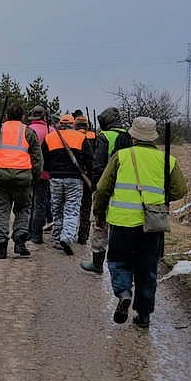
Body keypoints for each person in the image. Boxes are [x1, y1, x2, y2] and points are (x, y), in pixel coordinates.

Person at [92, 116, 187, 329]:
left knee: (118, 261)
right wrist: (160, 199)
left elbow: (102, 189)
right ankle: (144, 315)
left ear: (133, 136)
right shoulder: (167, 160)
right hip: (152, 223)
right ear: (153, 137)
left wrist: (99, 214)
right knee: (147, 268)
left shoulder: (121, 156)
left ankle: (124, 292)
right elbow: (180, 190)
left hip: (122, 221)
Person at [0, 103, 42, 259]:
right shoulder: (28, 132)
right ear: (22, 117)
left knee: (1, 210)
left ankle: (2, 246)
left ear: (7, 116)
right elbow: (37, 159)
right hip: (23, 178)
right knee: (23, 209)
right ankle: (20, 241)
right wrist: (34, 178)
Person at [80, 106, 132, 274]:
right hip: (126, 188)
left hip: (106, 185)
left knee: (99, 223)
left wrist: (94, 187)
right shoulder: (129, 136)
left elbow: (98, 165)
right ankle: (123, 267)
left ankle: (97, 263)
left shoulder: (105, 136)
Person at [42, 114, 93, 256]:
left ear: (60, 123)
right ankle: (67, 237)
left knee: (56, 208)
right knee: (72, 208)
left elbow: (43, 159)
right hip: (75, 179)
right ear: (73, 124)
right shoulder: (80, 137)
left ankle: (57, 238)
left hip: (55, 178)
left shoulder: (50, 137)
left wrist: (51, 170)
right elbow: (89, 160)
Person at [26, 105, 51, 244]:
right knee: (40, 204)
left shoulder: (27, 130)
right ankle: (37, 234)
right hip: (44, 173)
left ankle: (28, 232)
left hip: (27, 171)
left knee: (28, 204)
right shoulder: (51, 131)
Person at [74, 114, 98, 246]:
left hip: (75, 175)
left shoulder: (73, 137)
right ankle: (83, 236)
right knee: (86, 207)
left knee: (72, 205)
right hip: (89, 176)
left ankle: (70, 231)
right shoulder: (95, 137)